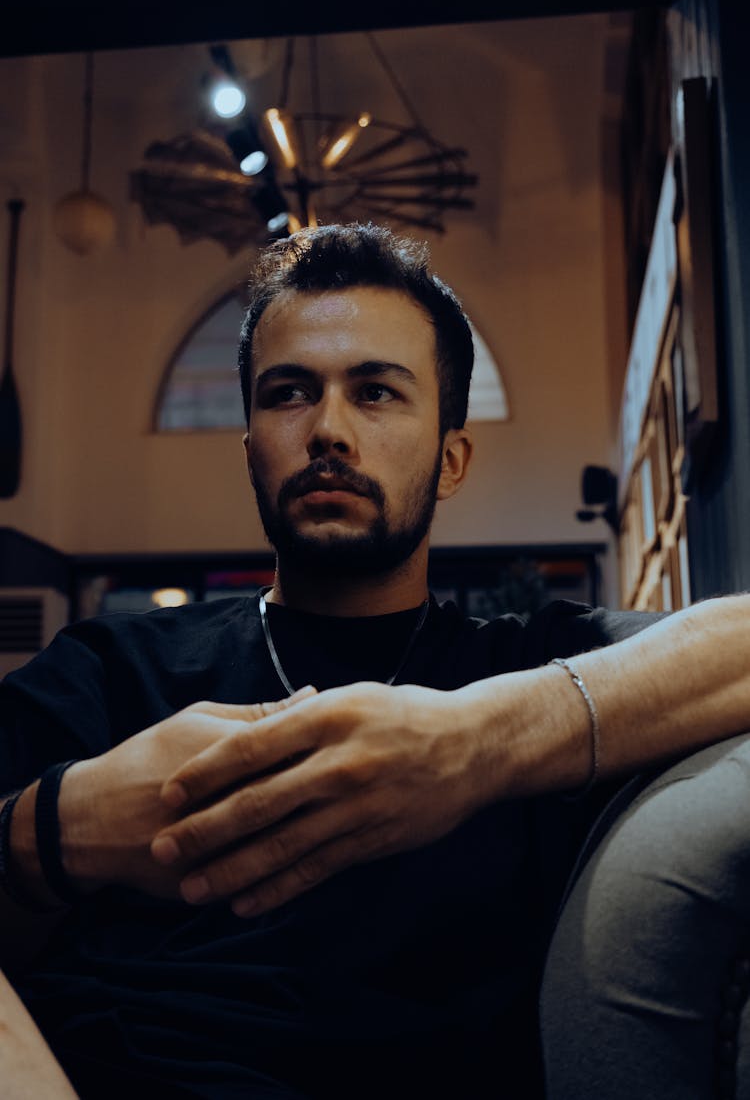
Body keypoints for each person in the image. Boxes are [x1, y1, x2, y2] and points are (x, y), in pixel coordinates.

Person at [1, 222, 749, 1099]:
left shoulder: (519, 664)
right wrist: (58, 827)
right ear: (249, 449)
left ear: (452, 457)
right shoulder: (114, 665)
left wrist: (472, 743)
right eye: (288, 393)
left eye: (377, 392)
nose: (328, 430)